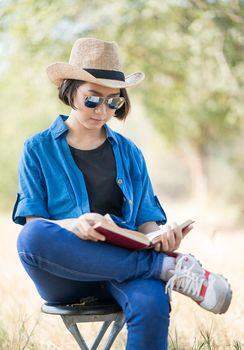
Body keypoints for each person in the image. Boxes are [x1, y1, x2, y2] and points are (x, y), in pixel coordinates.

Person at [13, 38, 232, 350]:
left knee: (152, 303)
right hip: (67, 274)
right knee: (30, 237)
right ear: (70, 91)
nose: (103, 111)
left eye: (113, 102)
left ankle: (162, 265)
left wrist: (162, 237)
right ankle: (167, 268)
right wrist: (74, 224)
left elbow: (147, 225)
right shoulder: (37, 148)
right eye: (92, 100)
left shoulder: (130, 153)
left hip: (124, 269)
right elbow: (36, 223)